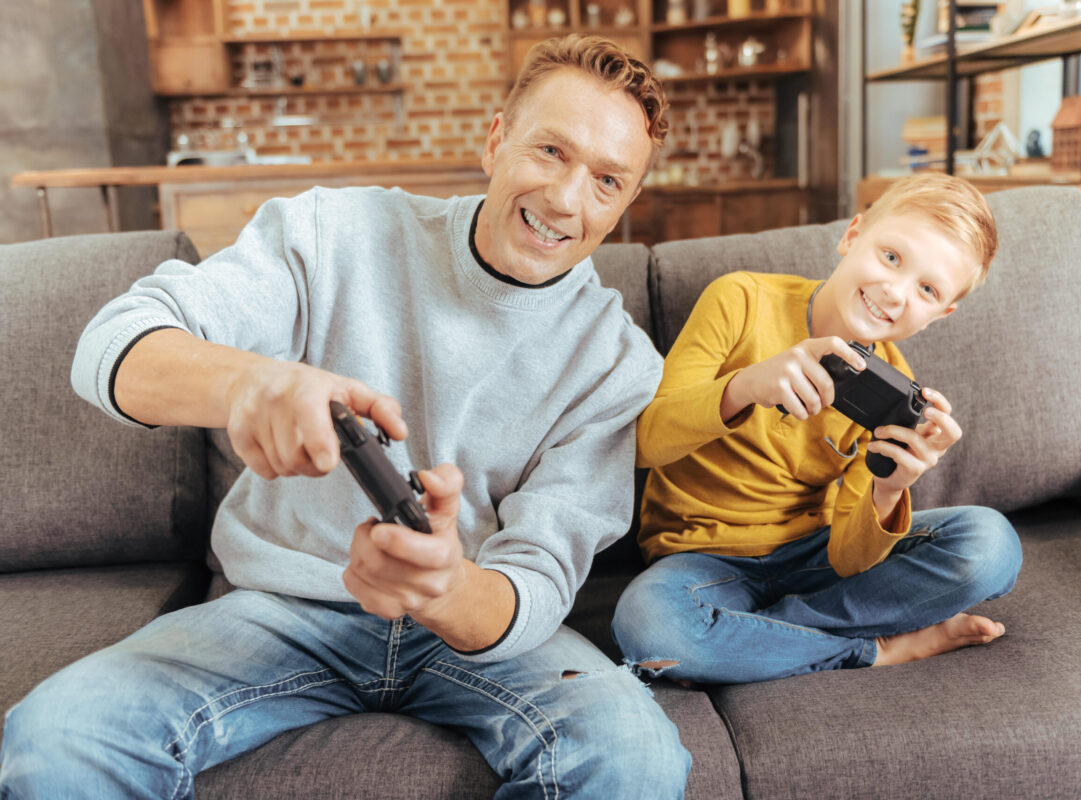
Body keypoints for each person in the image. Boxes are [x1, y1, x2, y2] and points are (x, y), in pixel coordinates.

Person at [0, 35, 691, 799]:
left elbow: (537, 577)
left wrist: (447, 590)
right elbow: (112, 344)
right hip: (279, 608)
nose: (566, 199)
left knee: (635, 757)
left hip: (475, 633)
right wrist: (250, 385)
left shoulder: (616, 363)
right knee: (62, 734)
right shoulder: (334, 233)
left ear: (628, 203)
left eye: (606, 180)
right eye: (550, 150)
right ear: (496, 140)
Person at [611, 173, 1023, 685]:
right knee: (650, 628)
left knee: (992, 546)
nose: (894, 293)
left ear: (941, 314)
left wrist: (889, 490)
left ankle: (756, 642)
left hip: (813, 557)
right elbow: (645, 442)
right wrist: (744, 386)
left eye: (927, 289)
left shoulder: (897, 389)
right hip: (700, 560)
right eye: (891, 257)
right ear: (853, 235)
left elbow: (848, 560)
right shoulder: (740, 299)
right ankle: (869, 648)